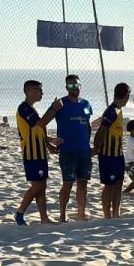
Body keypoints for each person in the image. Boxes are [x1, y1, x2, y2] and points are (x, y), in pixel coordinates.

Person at [38, 74, 94, 222]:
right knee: (67, 184)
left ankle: (81, 214)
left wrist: (89, 145)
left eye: (76, 84)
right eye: (70, 85)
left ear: (80, 85)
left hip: (84, 151)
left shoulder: (86, 104)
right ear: (66, 87)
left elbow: (87, 126)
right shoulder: (60, 104)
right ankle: (63, 215)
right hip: (68, 151)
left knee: (83, 184)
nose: (74, 87)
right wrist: (49, 143)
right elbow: (41, 124)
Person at [13, 80, 53, 225]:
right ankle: (20, 213)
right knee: (37, 185)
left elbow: (39, 130)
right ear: (28, 91)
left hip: (40, 152)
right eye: (38, 90)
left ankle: (44, 218)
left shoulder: (31, 108)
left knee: (42, 186)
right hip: (31, 153)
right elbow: (40, 124)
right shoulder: (24, 108)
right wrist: (53, 109)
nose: (41, 93)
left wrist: (49, 143)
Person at [94, 83, 131, 219]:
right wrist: (96, 148)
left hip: (118, 154)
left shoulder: (119, 110)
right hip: (107, 154)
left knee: (119, 183)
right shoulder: (112, 111)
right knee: (109, 185)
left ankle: (116, 212)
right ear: (126, 95)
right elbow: (101, 131)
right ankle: (107, 214)